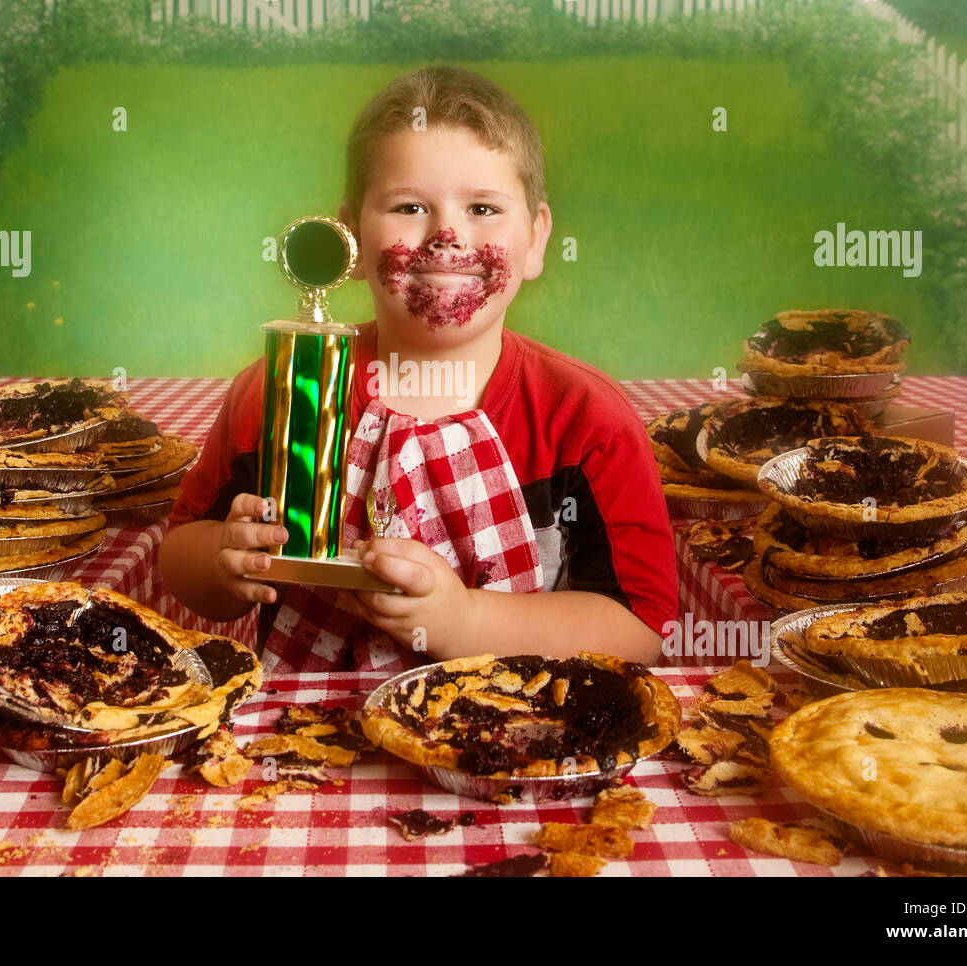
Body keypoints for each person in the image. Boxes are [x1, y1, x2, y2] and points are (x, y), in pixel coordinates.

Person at [160, 65, 677, 672]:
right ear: (349, 238)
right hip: (306, 743)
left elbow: (642, 627)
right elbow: (178, 556)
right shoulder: (282, 391)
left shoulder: (586, 419)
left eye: (483, 207)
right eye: (409, 206)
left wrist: (465, 621)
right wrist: (226, 559)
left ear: (536, 240)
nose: (448, 234)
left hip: (508, 735)